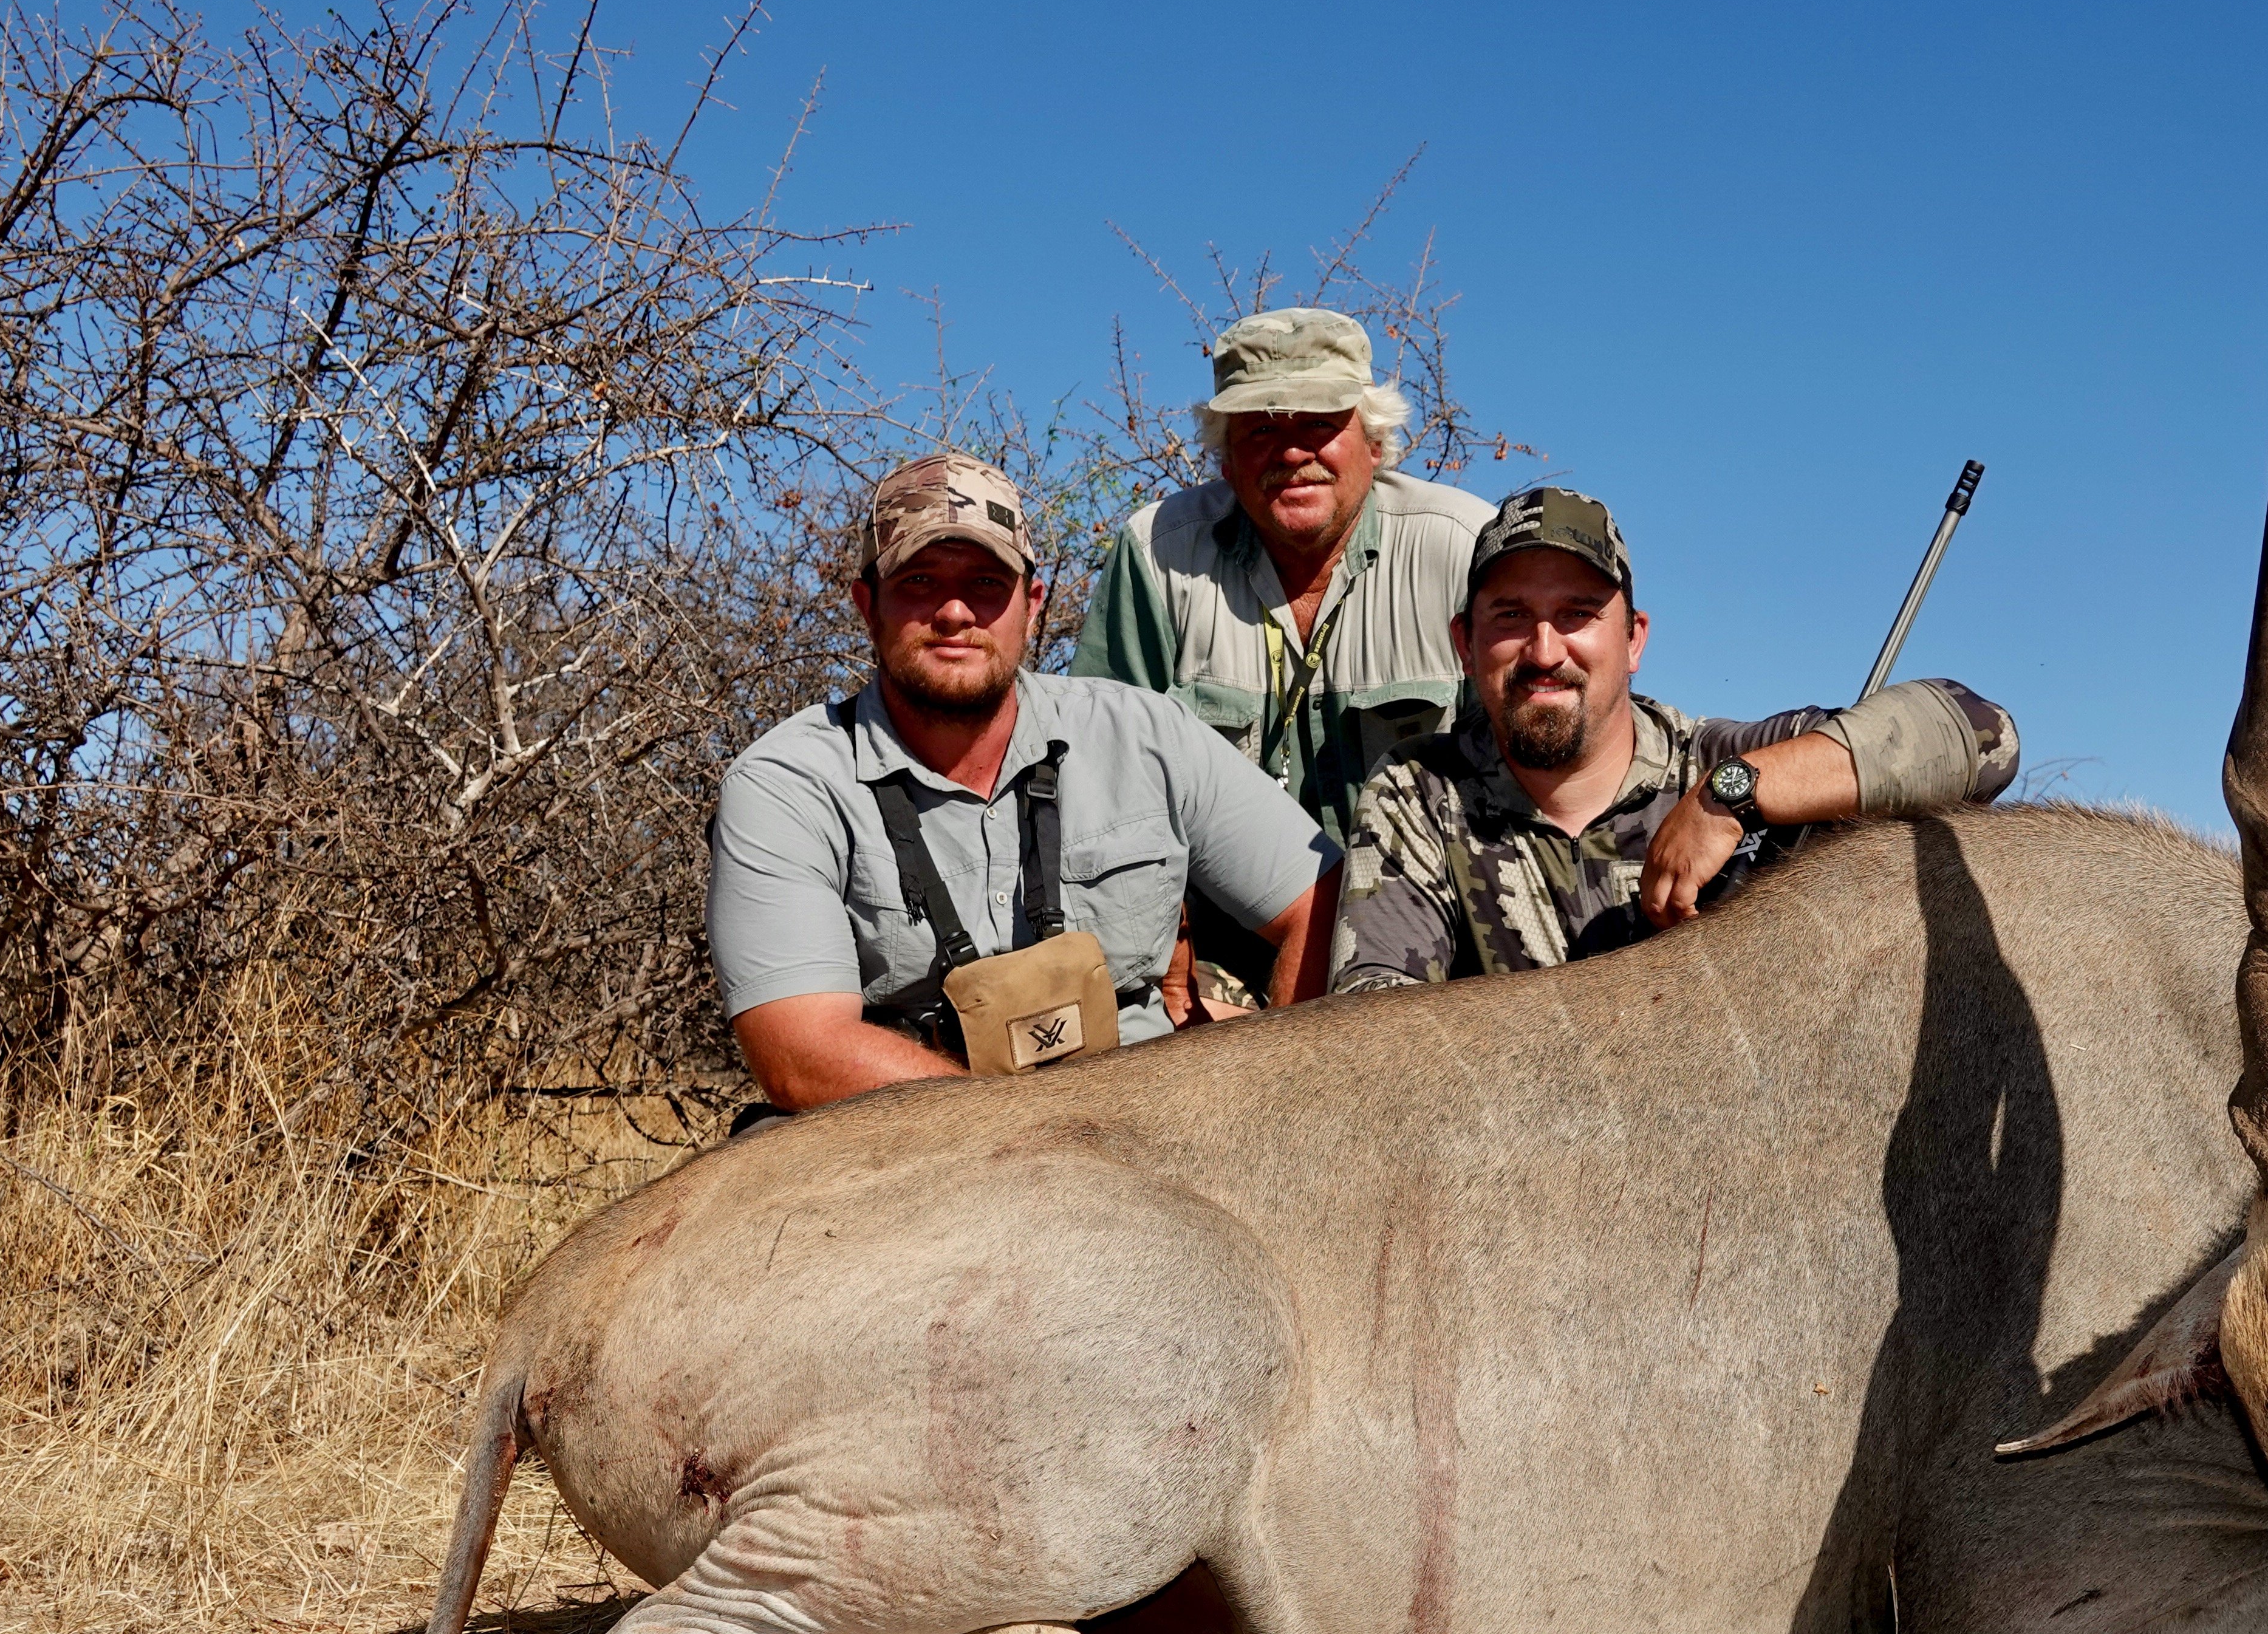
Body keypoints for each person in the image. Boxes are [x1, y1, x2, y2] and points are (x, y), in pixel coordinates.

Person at [708, 453, 1339, 1111]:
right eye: (920, 580)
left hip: (1153, 1130)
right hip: (914, 1144)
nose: (955, 611)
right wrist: (1033, 1133)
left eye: (986, 582)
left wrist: (1276, 1090)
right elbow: (800, 1055)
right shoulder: (785, 785)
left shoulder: (1148, 734)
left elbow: (1319, 899)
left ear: (1032, 605)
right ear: (869, 606)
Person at [1331, 486, 2018, 990]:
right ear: (1466, 644)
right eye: (1511, 617)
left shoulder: (1719, 759)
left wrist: (1734, 797)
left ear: (1633, 640)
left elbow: (1985, 736)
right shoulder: (1417, 793)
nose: (1545, 650)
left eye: (1578, 615)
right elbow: (1377, 1018)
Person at [1072, 306, 1496, 843]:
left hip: (1428, 911)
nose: (1293, 451)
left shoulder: (1466, 546)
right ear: (1226, 458)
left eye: (1320, 423)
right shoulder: (1157, 553)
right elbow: (1100, 769)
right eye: (1262, 428)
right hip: (1211, 918)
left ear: (1374, 443)